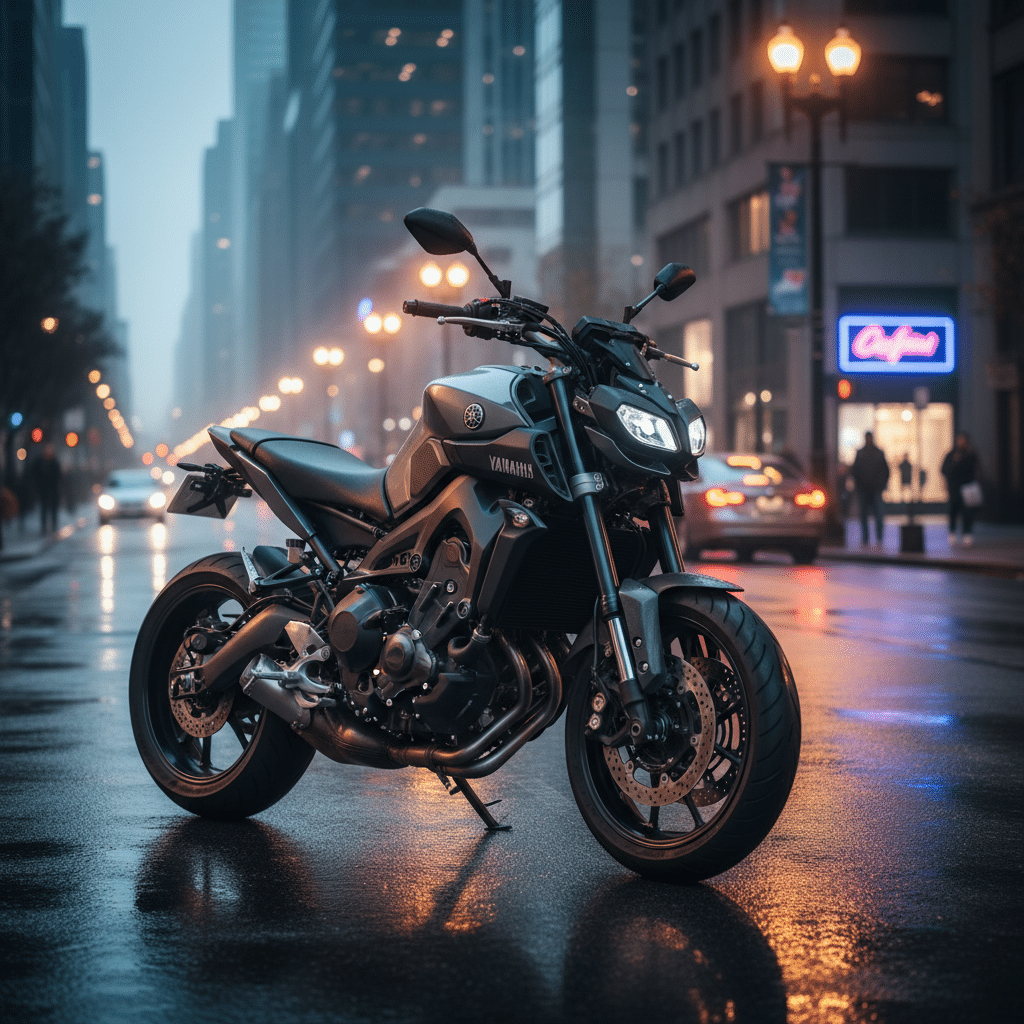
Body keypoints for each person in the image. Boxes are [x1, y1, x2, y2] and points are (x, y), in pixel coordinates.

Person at [851, 431, 890, 546]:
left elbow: (885, 471)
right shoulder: (862, 453)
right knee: (866, 515)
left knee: (877, 515)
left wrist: (881, 485)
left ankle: (878, 537)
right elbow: (855, 471)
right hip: (865, 489)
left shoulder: (876, 453)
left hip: (874, 489)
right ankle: (867, 538)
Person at [941, 432, 979, 547]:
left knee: (967, 512)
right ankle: (952, 532)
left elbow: (975, 469)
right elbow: (944, 469)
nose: (961, 442)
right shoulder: (951, 454)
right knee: (953, 511)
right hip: (954, 488)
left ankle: (967, 533)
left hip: (967, 487)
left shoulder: (970, 454)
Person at [31, 443, 62, 534]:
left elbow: (58, 476)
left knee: (53, 509)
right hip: (43, 489)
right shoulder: (39, 462)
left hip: (53, 489)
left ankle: (54, 526)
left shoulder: (54, 463)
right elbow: (34, 474)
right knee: (44, 509)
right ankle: (44, 527)